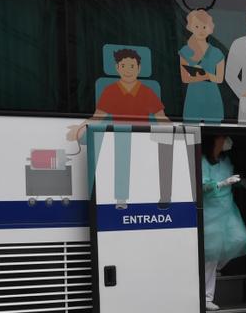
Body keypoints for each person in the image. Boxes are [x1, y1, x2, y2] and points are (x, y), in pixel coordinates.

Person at [68, 48, 173, 209]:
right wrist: (80, 127)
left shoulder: (147, 92)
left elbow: (161, 118)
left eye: (132, 66)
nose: (128, 70)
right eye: (123, 66)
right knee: (121, 159)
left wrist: (173, 129)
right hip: (119, 136)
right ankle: (121, 199)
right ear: (117, 68)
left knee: (148, 161)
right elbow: (97, 117)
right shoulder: (110, 91)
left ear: (138, 68)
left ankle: (146, 195)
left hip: (142, 137)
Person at [200, 134, 246, 311]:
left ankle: (216, 267)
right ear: (214, 141)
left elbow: (231, 180)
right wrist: (222, 183)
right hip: (210, 212)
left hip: (228, 209)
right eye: (223, 137)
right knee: (211, 255)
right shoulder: (203, 162)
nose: (228, 140)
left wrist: (240, 183)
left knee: (240, 239)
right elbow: (203, 186)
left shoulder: (226, 160)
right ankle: (207, 297)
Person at [180, 9, 226, 124]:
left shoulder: (217, 53)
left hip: (213, 100)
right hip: (193, 99)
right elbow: (185, 78)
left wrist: (202, 75)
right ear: (191, 28)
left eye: (204, 27)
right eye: (196, 26)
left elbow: (220, 79)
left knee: (213, 135)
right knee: (191, 137)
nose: (200, 30)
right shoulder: (185, 51)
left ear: (210, 29)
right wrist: (207, 76)